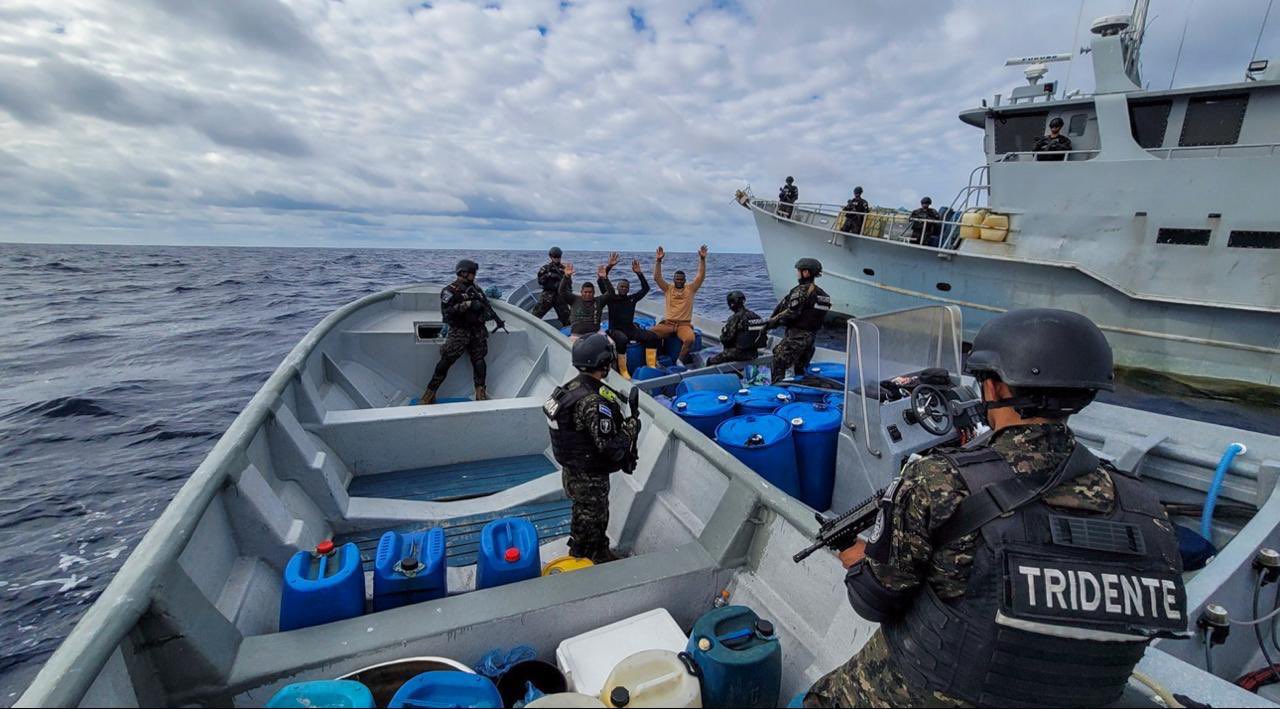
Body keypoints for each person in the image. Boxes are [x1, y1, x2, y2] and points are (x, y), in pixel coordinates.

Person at [804, 309, 1187, 709]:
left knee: (821, 699)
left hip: (951, 691)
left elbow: (876, 601)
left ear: (997, 388)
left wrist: (853, 554)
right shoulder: (1145, 506)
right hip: (1084, 695)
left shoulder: (938, 482)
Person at [543, 334, 641, 564]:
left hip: (573, 471)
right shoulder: (593, 402)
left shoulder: (571, 387)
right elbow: (609, 447)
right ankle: (589, 556)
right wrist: (631, 429)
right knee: (594, 517)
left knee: (584, 513)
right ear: (604, 362)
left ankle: (587, 548)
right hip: (588, 476)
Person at [421, 259, 502, 404]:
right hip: (459, 331)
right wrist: (467, 305)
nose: (475, 275)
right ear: (463, 272)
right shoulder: (450, 290)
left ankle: (480, 393)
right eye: (472, 273)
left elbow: (487, 308)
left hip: (477, 331)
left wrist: (486, 313)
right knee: (446, 361)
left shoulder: (477, 289)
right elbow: (447, 313)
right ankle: (429, 394)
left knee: (479, 361)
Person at [766, 258, 831, 384]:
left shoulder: (801, 291)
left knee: (779, 363)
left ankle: (777, 391)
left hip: (797, 336)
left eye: (798, 271)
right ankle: (800, 392)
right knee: (801, 370)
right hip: (810, 339)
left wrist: (771, 323)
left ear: (806, 273)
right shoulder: (823, 295)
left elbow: (791, 312)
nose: (797, 274)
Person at [598, 253, 661, 378]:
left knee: (653, 336)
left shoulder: (632, 299)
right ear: (617, 287)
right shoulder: (611, 298)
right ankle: (623, 370)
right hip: (614, 330)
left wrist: (639, 273)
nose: (623, 289)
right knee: (622, 340)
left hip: (630, 329)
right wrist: (609, 266)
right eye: (621, 286)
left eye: (626, 287)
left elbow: (645, 289)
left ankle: (651, 365)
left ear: (628, 289)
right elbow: (601, 281)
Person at [651, 245, 707, 364]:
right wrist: (658, 261)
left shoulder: (691, 289)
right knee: (650, 334)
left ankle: (680, 360)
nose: (679, 281)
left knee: (690, 339)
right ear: (674, 279)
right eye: (677, 279)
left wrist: (702, 259)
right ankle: (658, 357)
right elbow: (657, 277)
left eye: (681, 279)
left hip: (684, 325)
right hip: (668, 323)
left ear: (685, 280)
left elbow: (700, 277)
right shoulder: (668, 288)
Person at [706, 291, 767, 366]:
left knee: (711, 361)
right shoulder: (755, 316)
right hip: (754, 354)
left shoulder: (734, 318)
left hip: (738, 354)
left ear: (731, 304)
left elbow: (727, 339)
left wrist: (723, 336)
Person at [558, 262, 607, 337]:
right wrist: (566, 277)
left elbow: (610, 294)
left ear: (594, 293)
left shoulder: (599, 301)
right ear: (581, 292)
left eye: (590, 292)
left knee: (611, 344)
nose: (587, 294)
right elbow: (561, 291)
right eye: (585, 292)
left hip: (596, 333)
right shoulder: (574, 299)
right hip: (576, 334)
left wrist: (605, 278)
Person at [531, 246, 570, 326]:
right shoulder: (545, 269)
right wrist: (548, 275)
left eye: (558, 257)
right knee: (534, 316)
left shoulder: (564, 269)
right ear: (551, 257)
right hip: (548, 296)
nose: (557, 259)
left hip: (560, 297)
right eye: (555, 257)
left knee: (567, 319)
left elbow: (569, 284)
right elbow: (540, 281)